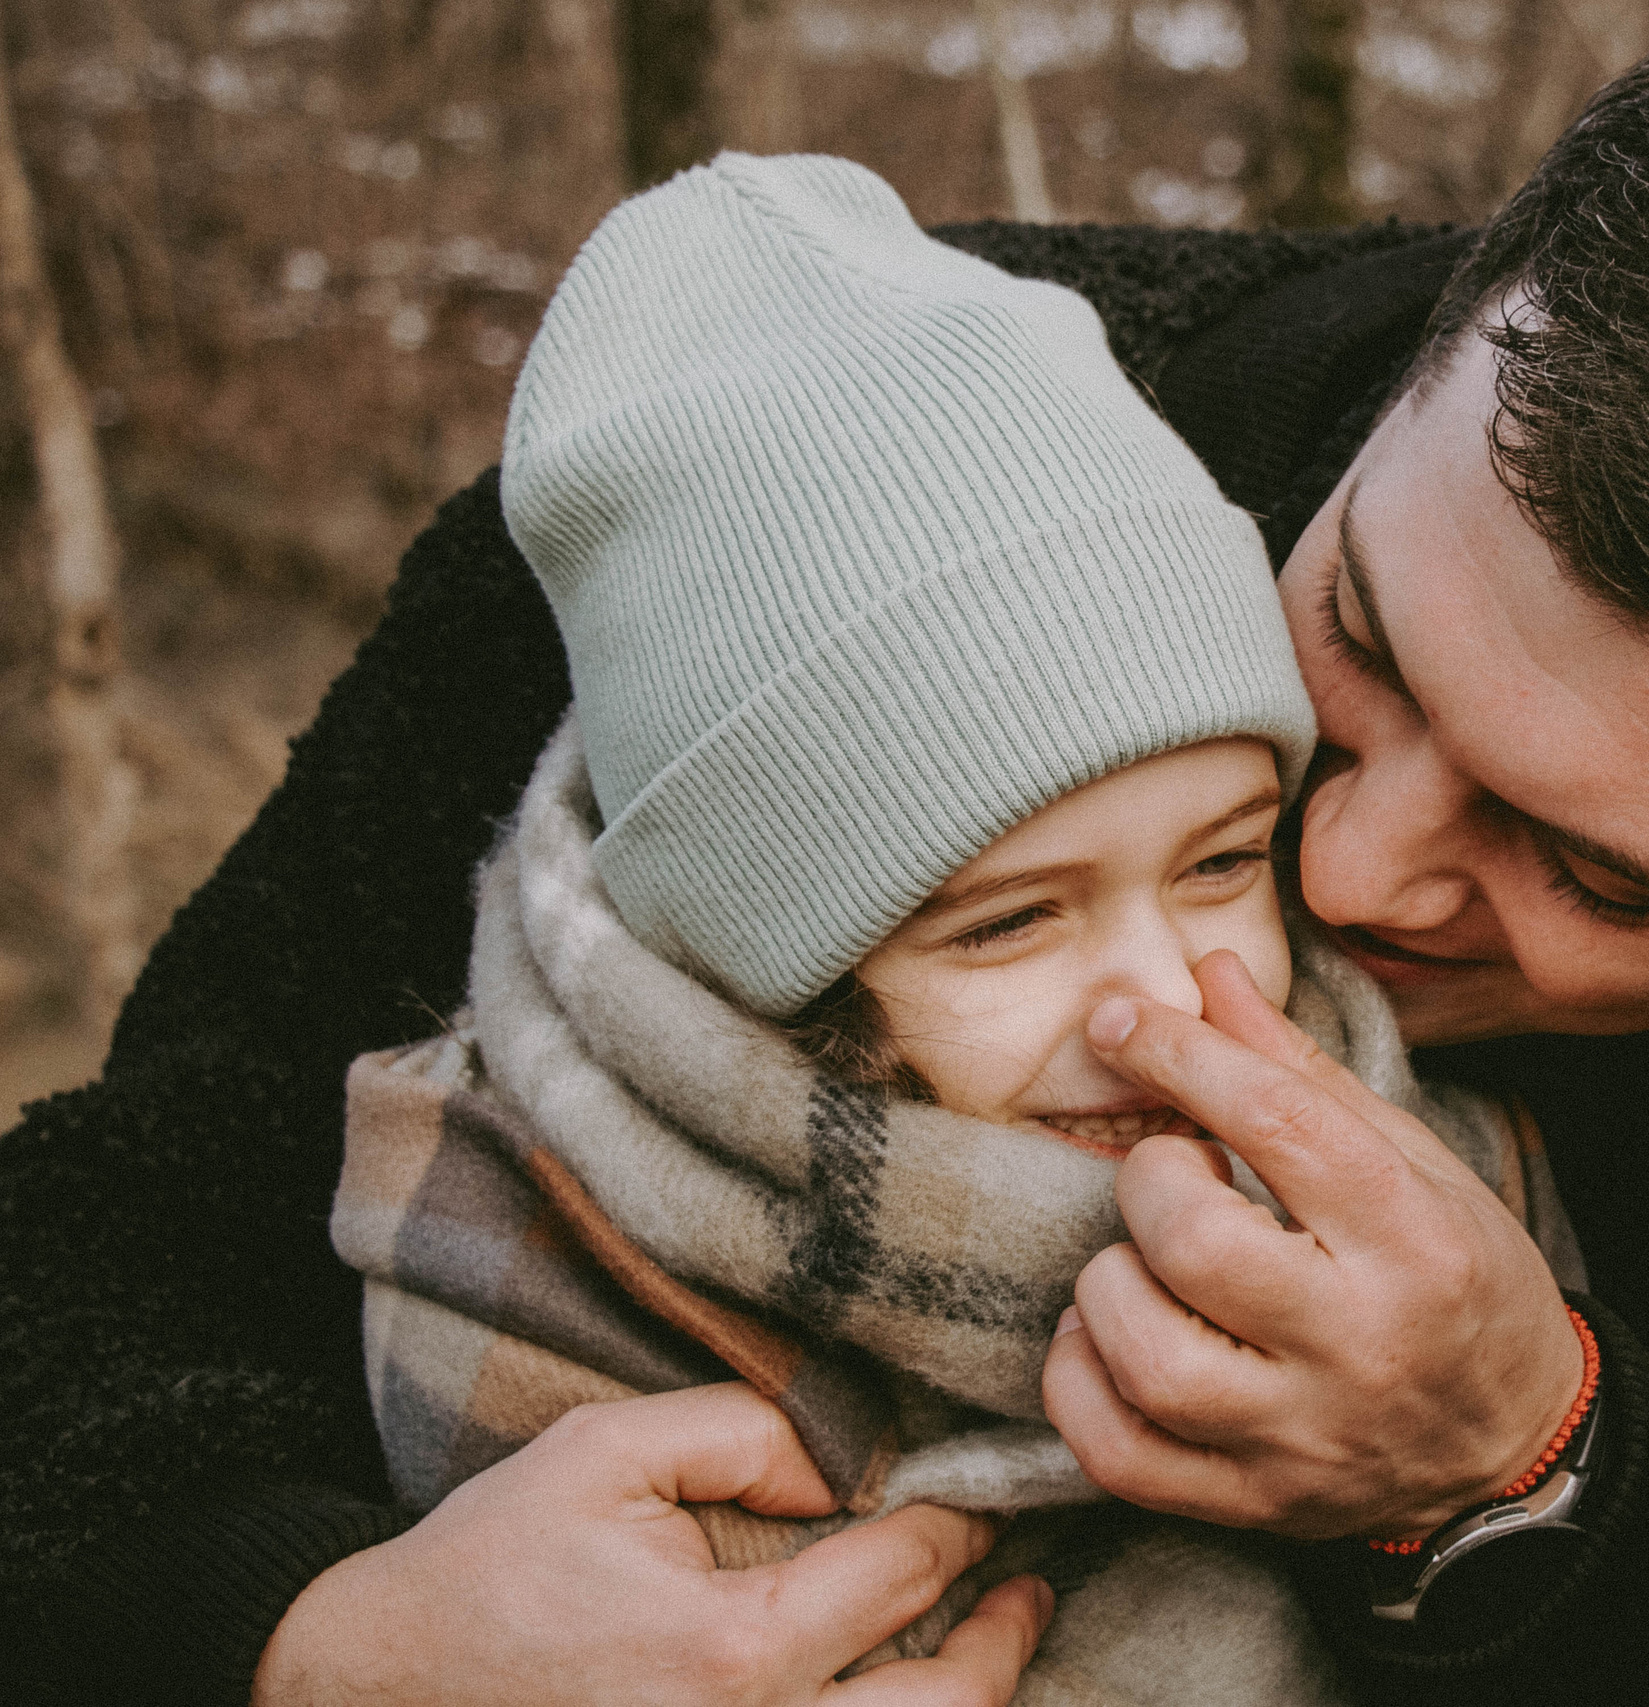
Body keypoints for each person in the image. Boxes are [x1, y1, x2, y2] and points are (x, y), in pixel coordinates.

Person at [3, 3, 1649, 1703]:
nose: (1354, 872)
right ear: (1435, 343)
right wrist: (311, 1633)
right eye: (1358, 643)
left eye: (1598, 874)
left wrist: (1543, 1471)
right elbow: (104, 1244)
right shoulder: (756, 510)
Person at [325, 150, 1581, 1706]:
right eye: (1004, 927)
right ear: (759, 962)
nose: (1163, 1003)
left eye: (1218, 865)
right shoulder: (532, 1259)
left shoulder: (1443, 1178)